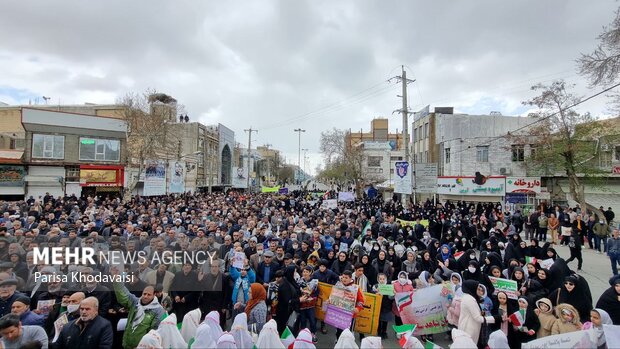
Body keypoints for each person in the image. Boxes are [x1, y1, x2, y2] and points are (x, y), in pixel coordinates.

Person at [111, 267, 165, 349]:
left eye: (149, 294)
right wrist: (116, 279)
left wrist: (143, 345)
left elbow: (155, 331)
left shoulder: (158, 310)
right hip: (126, 343)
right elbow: (123, 294)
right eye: (144, 294)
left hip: (142, 346)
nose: (145, 296)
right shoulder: (135, 302)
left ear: (154, 295)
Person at [457, 280, 496, 344]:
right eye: (477, 288)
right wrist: (495, 318)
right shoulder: (469, 300)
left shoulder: (471, 297)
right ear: (472, 288)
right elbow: (478, 318)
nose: (479, 290)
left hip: (471, 327)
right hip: (469, 329)